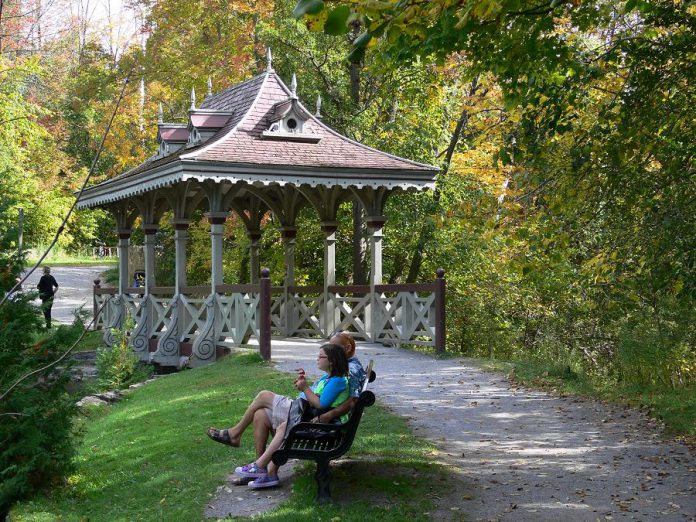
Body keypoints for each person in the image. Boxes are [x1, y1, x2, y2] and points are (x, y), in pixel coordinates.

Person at [207, 332, 366, 475]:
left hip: (309, 416)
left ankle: (235, 434)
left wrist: (327, 414)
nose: (328, 350)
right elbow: (324, 394)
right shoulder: (337, 373)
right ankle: (260, 468)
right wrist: (306, 388)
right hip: (304, 409)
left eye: (332, 347)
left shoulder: (347, 372)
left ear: (346, 348)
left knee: (263, 395)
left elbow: (351, 401)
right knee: (260, 413)